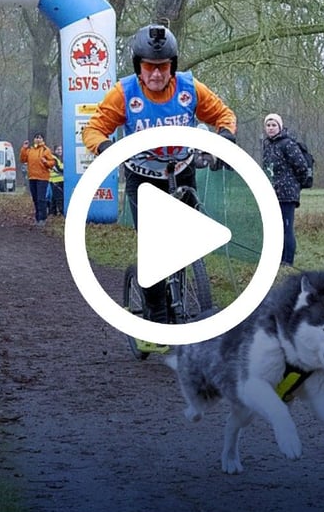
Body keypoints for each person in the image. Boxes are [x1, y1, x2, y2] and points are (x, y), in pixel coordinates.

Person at [81, 24, 237, 323]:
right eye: (149, 68)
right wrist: (103, 147)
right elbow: (94, 128)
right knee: (153, 246)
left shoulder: (189, 89)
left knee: (186, 239)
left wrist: (226, 134)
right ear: (138, 68)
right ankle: (157, 313)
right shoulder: (124, 93)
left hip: (181, 169)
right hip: (143, 175)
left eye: (162, 68)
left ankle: (187, 288)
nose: (156, 74)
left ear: (172, 67)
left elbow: (223, 114)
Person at [261, 113, 308, 266]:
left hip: (287, 194)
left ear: (280, 127)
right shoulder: (266, 145)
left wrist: (295, 185)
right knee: (275, 228)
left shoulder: (288, 144)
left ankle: (288, 261)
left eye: (274, 125)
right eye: (268, 125)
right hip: (271, 193)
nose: (271, 128)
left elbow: (301, 166)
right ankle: (278, 258)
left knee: (286, 228)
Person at [19, 132, 56, 226]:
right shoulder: (30, 150)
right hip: (32, 177)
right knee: (35, 199)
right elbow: (23, 160)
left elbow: (52, 162)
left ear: (42, 140)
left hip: (42, 178)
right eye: (36, 138)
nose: (37, 139)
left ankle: (42, 218)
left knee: (41, 198)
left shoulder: (46, 150)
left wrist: (46, 162)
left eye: (39, 138)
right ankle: (37, 217)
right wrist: (24, 148)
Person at [48, 143, 65, 216]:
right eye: (58, 149)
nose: (60, 151)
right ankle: (62, 212)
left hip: (58, 180)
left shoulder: (59, 158)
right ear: (54, 150)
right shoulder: (53, 158)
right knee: (59, 197)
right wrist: (67, 170)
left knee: (54, 198)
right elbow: (59, 169)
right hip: (56, 180)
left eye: (61, 149)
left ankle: (52, 212)